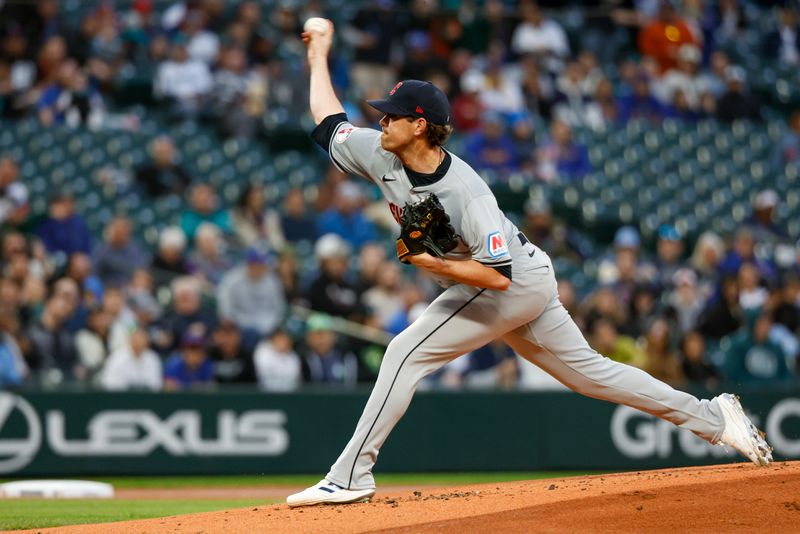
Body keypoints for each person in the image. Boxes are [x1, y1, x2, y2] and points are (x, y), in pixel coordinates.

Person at [287, 20, 773, 508]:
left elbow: (498, 277)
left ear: (419, 126)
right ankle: (715, 419)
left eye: (392, 116)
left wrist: (434, 266)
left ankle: (351, 475)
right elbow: (328, 122)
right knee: (592, 376)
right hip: (520, 278)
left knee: (404, 353)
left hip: (510, 281)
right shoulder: (379, 151)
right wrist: (318, 55)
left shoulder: (466, 190)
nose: (382, 121)